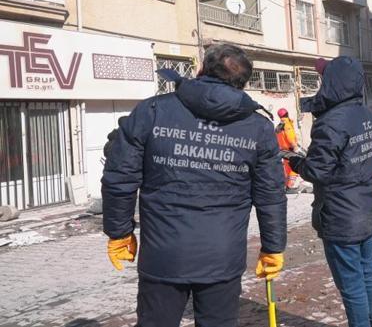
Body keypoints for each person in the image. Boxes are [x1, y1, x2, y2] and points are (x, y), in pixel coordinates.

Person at [102, 44, 287, 327]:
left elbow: (120, 178)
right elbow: (270, 195)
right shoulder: (258, 127)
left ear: (200, 70)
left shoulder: (153, 110)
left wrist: (119, 231)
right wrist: (273, 246)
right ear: (242, 83)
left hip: (164, 255)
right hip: (221, 258)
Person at [289, 56, 372, 327]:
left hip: (342, 218)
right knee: (368, 270)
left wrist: (296, 163)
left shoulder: (330, 123)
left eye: (323, 79)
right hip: (367, 210)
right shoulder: (369, 116)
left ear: (332, 83)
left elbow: (317, 170)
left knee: (352, 284)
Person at [275, 108, 299, 191]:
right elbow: (290, 137)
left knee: (288, 169)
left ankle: (287, 186)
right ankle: (290, 186)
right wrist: (295, 146)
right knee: (295, 168)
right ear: (287, 114)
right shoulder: (287, 124)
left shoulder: (279, 126)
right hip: (290, 149)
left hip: (283, 150)